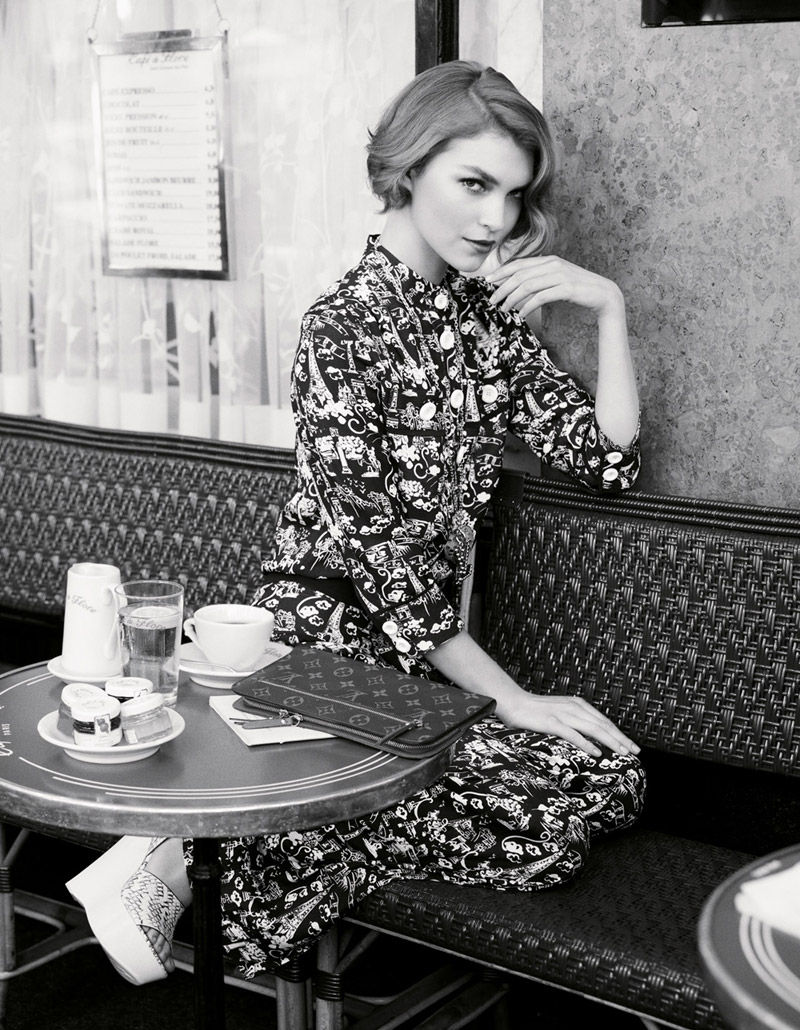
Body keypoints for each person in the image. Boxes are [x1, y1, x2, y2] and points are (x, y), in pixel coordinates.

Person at [67, 60, 645, 986]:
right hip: (329, 638)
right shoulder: (340, 330)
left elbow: (607, 461)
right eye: (474, 183)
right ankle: (197, 848)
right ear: (410, 168)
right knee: (544, 806)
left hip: (422, 660)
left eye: (513, 194)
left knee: (608, 778)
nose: (496, 218)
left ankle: (208, 848)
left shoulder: (485, 325)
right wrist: (513, 700)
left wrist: (607, 306)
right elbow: (390, 576)